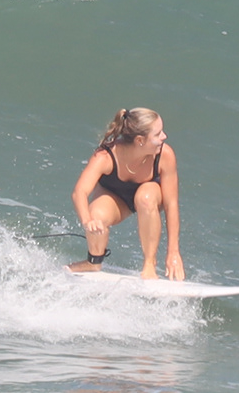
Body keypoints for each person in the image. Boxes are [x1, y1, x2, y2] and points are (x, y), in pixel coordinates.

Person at [69, 107, 185, 278]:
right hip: (116, 200)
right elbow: (79, 191)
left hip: (150, 199)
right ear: (140, 140)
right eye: (158, 134)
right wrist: (87, 221)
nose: (164, 137)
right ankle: (93, 262)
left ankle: (149, 264)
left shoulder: (164, 155)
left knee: (145, 197)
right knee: (95, 216)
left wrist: (173, 252)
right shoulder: (105, 156)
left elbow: (171, 204)